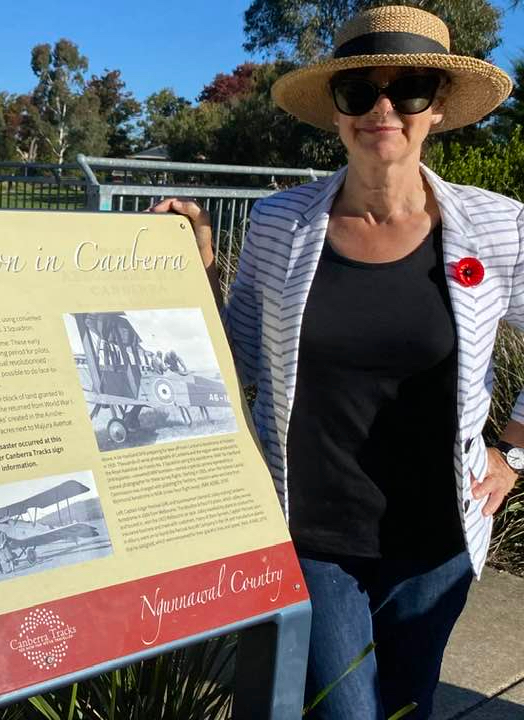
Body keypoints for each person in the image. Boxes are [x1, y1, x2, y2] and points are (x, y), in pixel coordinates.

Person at [155, 6, 523, 719]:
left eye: (409, 89)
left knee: (404, 705)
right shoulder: (280, 224)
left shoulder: (497, 226)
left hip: (437, 539)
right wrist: (196, 265)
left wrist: (515, 454)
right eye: (360, 93)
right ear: (336, 112)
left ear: (439, 108)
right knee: (343, 710)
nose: (383, 109)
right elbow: (231, 357)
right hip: (312, 532)